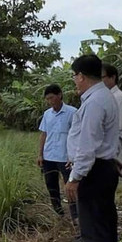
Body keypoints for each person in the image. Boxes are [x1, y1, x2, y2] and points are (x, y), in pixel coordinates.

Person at [65, 54, 122, 242]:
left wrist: (74, 177)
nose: (75, 82)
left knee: (94, 225)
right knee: (102, 221)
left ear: (81, 76)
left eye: (75, 77)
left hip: (94, 171)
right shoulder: (100, 97)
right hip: (99, 168)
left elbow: (88, 144)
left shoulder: (95, 102)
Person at [36, 84, 78, 221]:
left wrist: (75, 156)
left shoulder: (72, 112)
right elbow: (43, 134)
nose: (50, 101)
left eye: (52, 97)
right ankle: (58, 212)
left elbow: (78, 135)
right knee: (51, 185)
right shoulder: (47, 114)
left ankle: (76, 216)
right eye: (47, 99)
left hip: (66, 157)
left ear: (59, 95)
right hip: (49, 157)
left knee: (70, 186)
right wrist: (40, 154)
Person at [101, 63, 122, 159]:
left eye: (102, 77)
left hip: (114, 152)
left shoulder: (119, 98)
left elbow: (117, 127)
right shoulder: (104, 97)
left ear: (112, 77)